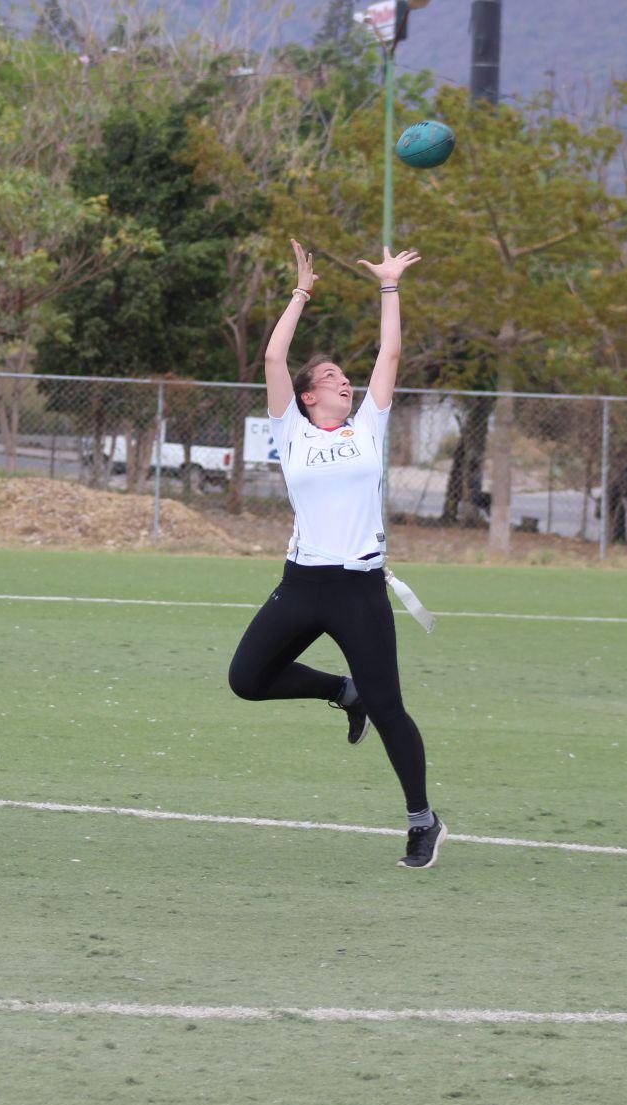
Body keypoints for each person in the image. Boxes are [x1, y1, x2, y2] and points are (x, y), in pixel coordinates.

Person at [227, 239, 444, 869]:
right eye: (327, 378)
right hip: (301, 585)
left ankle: (422, 821)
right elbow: (273, 354)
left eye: (342, 376)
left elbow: (391, 352)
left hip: (358, 589)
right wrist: (301, 292)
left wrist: (390, 286)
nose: (341, 380)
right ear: (304, 398)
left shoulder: (368, 425)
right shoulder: (288, 429)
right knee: (246, 679)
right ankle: (340, 694)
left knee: (391, 707)